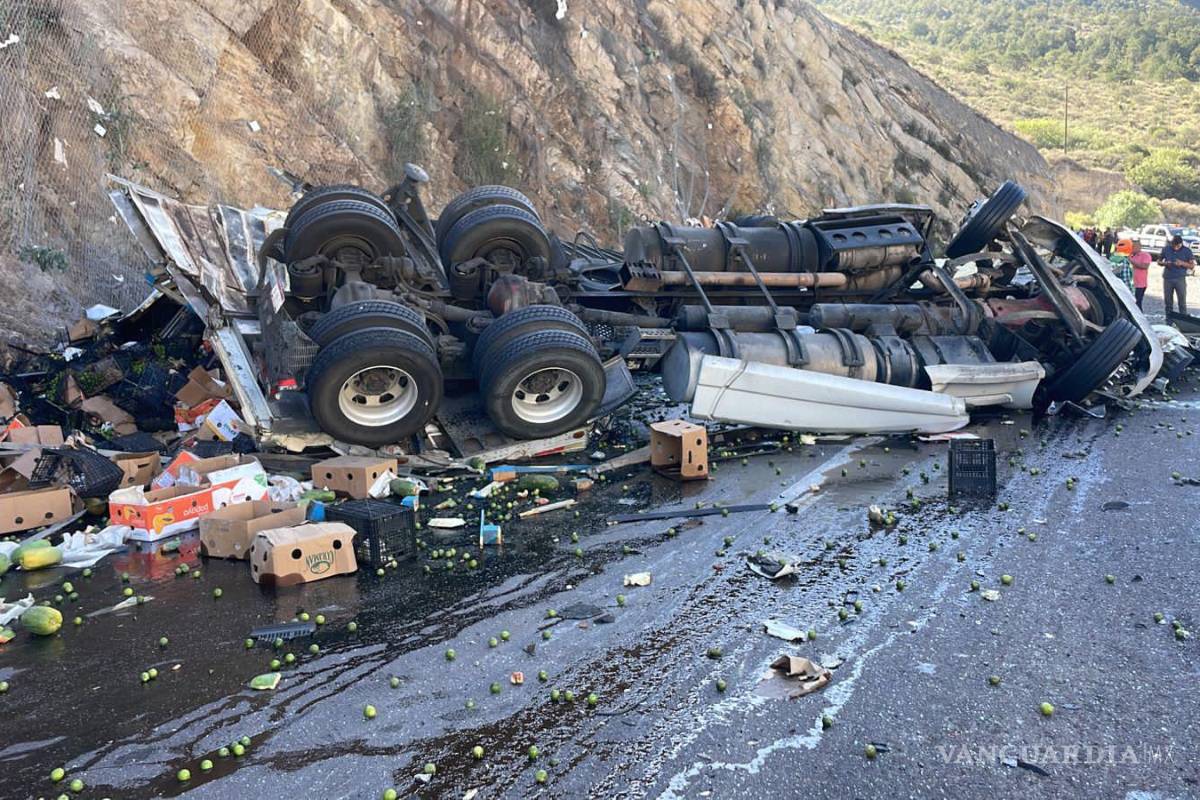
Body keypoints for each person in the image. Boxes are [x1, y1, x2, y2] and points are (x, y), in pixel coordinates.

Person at [1160, 234, 1196, 316]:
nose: (1175, 247)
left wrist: (1182, 263)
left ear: (1181, 244)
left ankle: (1183, 321)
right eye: (1173, 245)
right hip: (1167, 278)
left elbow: (1192, 265)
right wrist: (1165, 263)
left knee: (1182, 302)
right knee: (1168, 302)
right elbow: (1159, 261)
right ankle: (1169, 321)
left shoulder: (1187, 251)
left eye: (1177, 246)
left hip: (1180, 278)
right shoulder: (1166, 249)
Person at [1129, 240, 1152, 309]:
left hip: (1140, 284)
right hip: (1132, 283)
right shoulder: (1132, 255)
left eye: (1133, 247)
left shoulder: (1145, 255)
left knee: (1138, 302)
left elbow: (1145, 266)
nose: (1132, 248)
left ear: (1139, 247)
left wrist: (1132, 261)